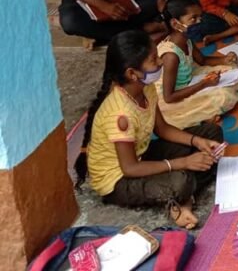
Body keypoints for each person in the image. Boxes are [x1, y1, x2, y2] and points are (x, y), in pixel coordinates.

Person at [74, 29, 224, 229]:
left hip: (141, 155)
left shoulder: (145, 87)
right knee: (182, 180)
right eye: (154, 59)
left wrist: (197, 141)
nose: (161, 62)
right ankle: (183, 200)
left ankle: (184, 195)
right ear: (132, 73)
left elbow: (162, 129)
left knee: (211, 134)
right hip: (119, 180)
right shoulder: (120, 115)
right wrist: (183, 162)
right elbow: (130, 168)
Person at [156, 0, 238, 129]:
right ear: (175, 24)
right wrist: (203, 84)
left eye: (200, 17)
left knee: (231, 67)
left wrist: (224, 59)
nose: (199, 21)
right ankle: (203, 116)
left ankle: (212, 105)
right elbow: (169, 97)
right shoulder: (170, 56)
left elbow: (202, 60)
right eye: (193, 18)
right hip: (171, 97)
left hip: (189, 79)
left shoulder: (186, 39)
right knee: (223, 96)